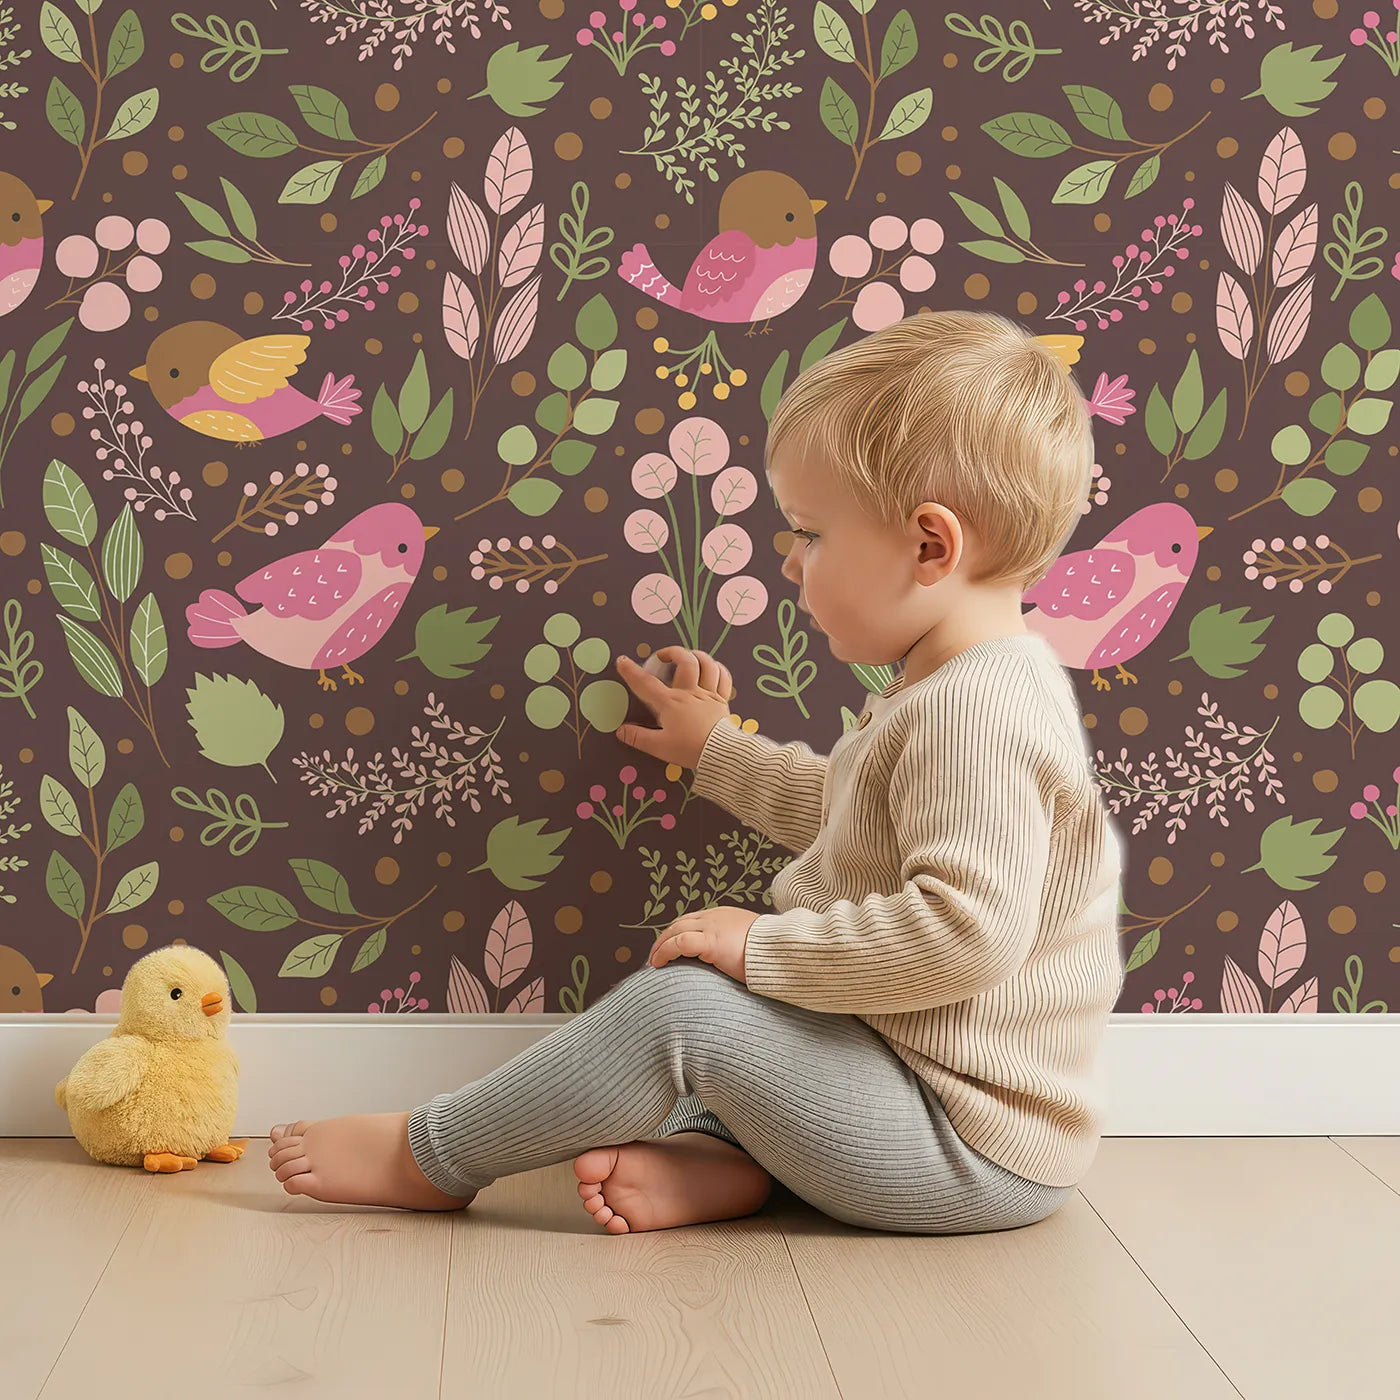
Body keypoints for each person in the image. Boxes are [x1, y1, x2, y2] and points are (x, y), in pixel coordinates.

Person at [267, 308, 1127, 1234]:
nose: (792, 563)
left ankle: (432, 1157)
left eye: (811, 534)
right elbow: (855, 827)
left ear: (929, 546)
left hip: (960, 1144)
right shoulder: (950, 684)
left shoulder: (974, 713)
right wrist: (719, 751)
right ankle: (726, 1163)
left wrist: (763, 950)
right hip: (894, 1088)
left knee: (687, 1010)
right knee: (727, 1008)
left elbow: (966, 936)